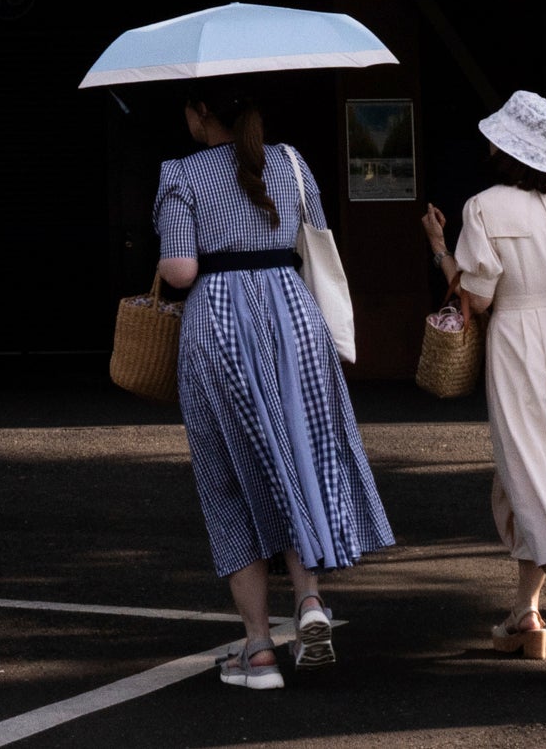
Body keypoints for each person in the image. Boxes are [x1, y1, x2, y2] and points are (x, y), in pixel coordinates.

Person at [153, 90, 394, 692]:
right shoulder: (290, 161)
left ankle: (259, 652)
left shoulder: (181, 174)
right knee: (300, 463)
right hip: (295, 317)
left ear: (200, 113)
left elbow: (181, 272)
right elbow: (316, 239)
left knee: (233, 478)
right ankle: (309, 603)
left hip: (222, 324)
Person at [419, 89, 546, 677]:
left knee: (528, 474)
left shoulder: (483, 207)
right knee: (544, 470)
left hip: (517, 342)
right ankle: (523, 615)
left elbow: (477, 301)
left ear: (504, 147)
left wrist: (438, 247)